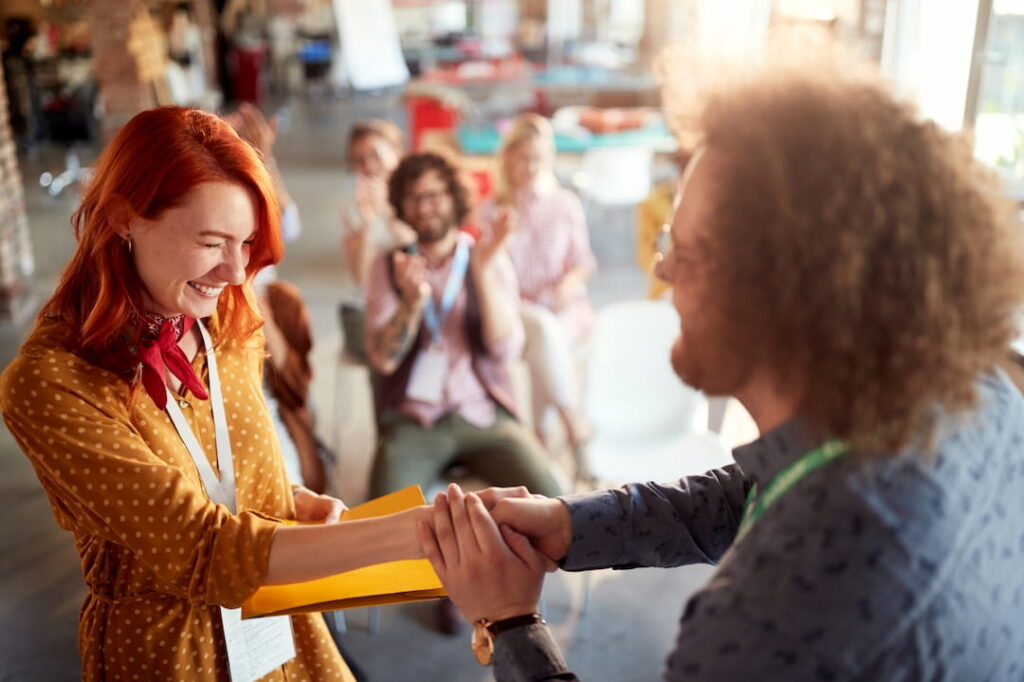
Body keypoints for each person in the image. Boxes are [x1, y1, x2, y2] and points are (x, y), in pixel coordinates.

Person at [417, 52, 1024, 679]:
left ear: (773, 293)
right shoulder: (977, 388)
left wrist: (511, 622)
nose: (661, 271)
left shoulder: (770, 618)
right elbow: (755, 494)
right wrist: (572, 523)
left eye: (681, 252)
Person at [0, 106, 431, 681]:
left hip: (278, 621)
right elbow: (201, 549)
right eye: (211, 242)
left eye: (246, 242)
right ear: (125, 218)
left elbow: (223, 466)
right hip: (171, 651)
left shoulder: (223, 313)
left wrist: (289, 499)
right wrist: (416, 536)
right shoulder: (51, 383)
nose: (235, 271)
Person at [365, 151, 564, 633]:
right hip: (417, 419)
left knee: (552, 497)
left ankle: (484, 589)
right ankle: (451, 585)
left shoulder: (487, 255)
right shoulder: (389, 266)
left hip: (483, 412)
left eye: (434, 194)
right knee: (377, 518)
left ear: (454, 199)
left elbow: (504, 348)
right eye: (413, 197)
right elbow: (384, 359)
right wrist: (412, 305)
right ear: (402, 207)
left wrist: (481, 270)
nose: (425, 205)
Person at [478, 113, 596, 459]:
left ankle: (542, 438)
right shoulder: (490, 211)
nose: (531, 167)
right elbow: (486, 273)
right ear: (509, 157)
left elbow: (584, 262)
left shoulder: (564, 204)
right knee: (542, 328)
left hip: (562, 308)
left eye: (539, 159)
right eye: (524, 157)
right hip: (515, 312)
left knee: (548, 335)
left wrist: (566, 286)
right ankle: (574, 427)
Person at [339, 119, 412, 362]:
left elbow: (417, 252)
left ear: (396, 152)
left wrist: (388, 212)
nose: (369, 165)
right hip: (374, 306)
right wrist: (369, 223)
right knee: (380, 343)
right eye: (360, 160)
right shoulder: (353, 210)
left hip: (413, 297)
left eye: (376, 154)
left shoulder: (416, 197)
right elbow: (361, 279)